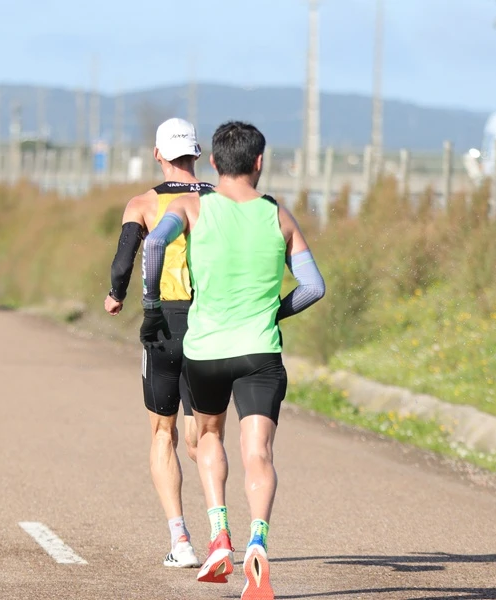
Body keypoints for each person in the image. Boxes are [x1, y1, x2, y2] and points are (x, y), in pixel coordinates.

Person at [139, 121, 325, 599]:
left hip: (206, 352)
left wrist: (153, 305)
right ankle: (257, 539)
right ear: (260, 162)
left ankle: (219, 535)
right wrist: (274, 311)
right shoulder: (279, 216)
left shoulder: (190, 207)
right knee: (258, 452)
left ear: (214, 163)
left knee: (208, 436)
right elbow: (313, 287)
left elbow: (156, 243)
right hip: (261, 351)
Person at [104, 117, 213, 569]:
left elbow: (123, 260)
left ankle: (181, 539)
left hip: (166, 325)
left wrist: (116, 296)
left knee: (161, 432)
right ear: (197, 153)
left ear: (157, 155)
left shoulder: (143, 203)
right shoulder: (223, 202)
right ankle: (220, 534)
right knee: (202, 437)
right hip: (212, 325)